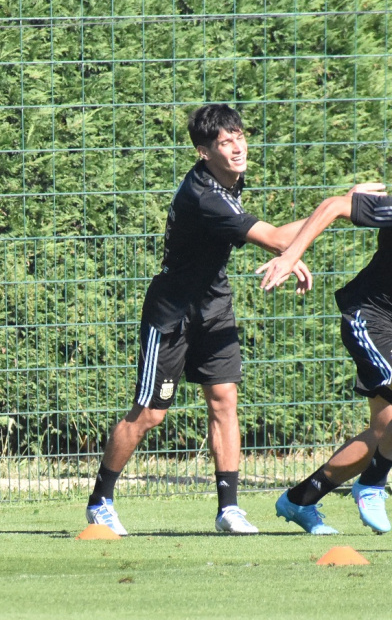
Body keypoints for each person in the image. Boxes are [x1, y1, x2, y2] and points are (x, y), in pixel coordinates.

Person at [83, 103, 316, 536]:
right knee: (150, 414)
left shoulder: (231, 180)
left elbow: (268, 242)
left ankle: (229, 510)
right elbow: (279, 237)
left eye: (239, 136)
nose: (237, 147)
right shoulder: (204, 194)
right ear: (203, 152)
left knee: (224, 400)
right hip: (172, 311)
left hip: (215, 304)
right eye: (225, 142)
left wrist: (288, 255)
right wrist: (334, 210)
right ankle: (100, 500)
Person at [258, 180, 392, 534]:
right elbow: (334, 206)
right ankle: (373, 483)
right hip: (371, 320)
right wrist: (291, 255)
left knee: (383, 432)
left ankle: (302, 498)